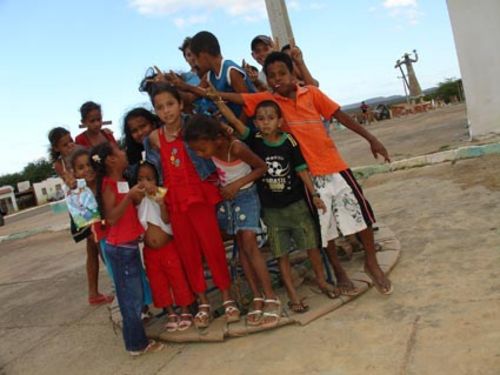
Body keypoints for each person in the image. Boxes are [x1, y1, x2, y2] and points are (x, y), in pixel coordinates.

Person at [206, 52, 393, 295]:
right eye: (271, 75)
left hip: (335, 166)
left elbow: (341, 116)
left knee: (361, 214)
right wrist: (212, 94)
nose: (276, 79)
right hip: (307, 176)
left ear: (293, 73)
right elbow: (241, 98)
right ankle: (338, 271)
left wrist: (372, 139)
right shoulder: (270, 103)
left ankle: (371, 263)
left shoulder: (311, 94)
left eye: (282, 73)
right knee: (324, 228)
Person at [211, 98, 344, 312]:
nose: (265, 123)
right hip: (272, 211)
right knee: (281, 254)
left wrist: (315, 194)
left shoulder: (289, 141)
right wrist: (220, 103)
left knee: (311, 247)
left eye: (271, 118)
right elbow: (235, 121)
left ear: (280, 121)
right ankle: (292, 295)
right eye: (260, 119)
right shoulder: (254, 139)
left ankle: (321, 281)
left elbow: (301, 169)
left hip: (297, 205)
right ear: (255, 123)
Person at [148, 83, 240, 328]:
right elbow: (155, 174)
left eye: (170, 104)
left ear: (179, 104)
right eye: (160, 107)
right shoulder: (155, 138)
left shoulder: (193, 126)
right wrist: (162, 204)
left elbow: (218, 144)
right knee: (189, 253)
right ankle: (202, 302)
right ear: (155, 111)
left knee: (213, 248)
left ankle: (227, 297)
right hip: (175, 202)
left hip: (200, 195)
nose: (166, 111)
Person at [184, 114, 282, 327]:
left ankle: (271, 296)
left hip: (247, 195)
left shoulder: (235, 148)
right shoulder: (213, 147)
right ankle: (257, 296)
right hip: (229, 199)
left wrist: (236, 185)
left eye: (202, 149)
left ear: (216, 139)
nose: (200, 155)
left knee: (249, 243)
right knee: (241, 245)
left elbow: (261, 167)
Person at [90, 142, 164, 356]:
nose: (124, 153)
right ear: (112, 160)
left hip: (128, 246)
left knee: (135, 296)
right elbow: (111, 218)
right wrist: (129, 198)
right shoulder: (108, 184)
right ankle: (136, 344)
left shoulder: (121, 182)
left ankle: (137, 340)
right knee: (130, 300)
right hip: (120, 249)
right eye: (120, 151)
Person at [136, 161, 194, 332]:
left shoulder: (162, 195)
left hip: (168, 247)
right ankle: (170, 312)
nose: (145, 183)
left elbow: (167, 220)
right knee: (158, 281)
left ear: (157, 180)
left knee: (177, 277)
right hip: (150, 251)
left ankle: (184, 309)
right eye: (140, 179)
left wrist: (161, 203)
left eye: (149, 179)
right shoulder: (139, 199)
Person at [68, 148, 114, 305]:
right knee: (110, 263)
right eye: (81, 167)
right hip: (101, 238)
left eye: (89, 164)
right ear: (74, 173)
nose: (87, 169)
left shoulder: (106, 184)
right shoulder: (78, 196)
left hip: (117, 235)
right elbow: (85, 225)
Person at [122, 107, 162, 185]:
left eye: (143, 126)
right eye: (134, 131)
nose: (140, 132)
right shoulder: (132, 159)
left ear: (153, 124)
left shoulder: (167, 144)